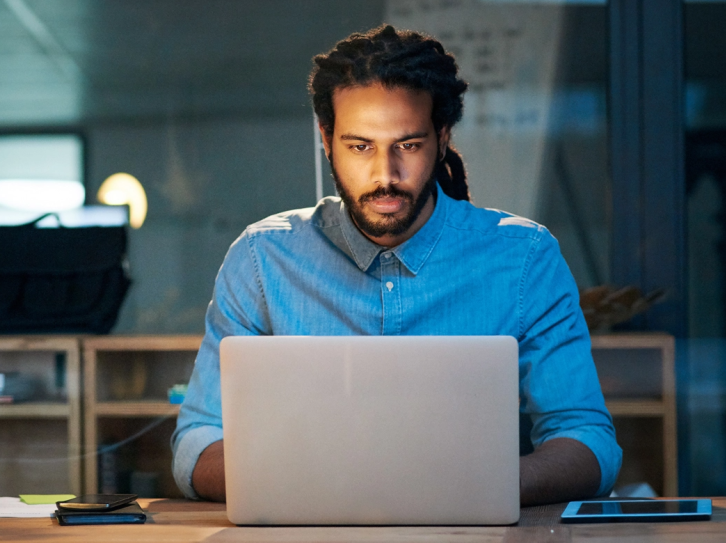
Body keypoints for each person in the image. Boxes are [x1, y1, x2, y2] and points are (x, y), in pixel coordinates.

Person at [171, 25, 621, 506]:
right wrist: (308, 480)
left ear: (442, 138)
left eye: (407, 145)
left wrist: (491, 484)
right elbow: (196, 444)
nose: (384, 175)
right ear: (327, 140)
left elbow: (588, 439)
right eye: (360, 146)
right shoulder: (262, 259)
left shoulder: (525, 258)